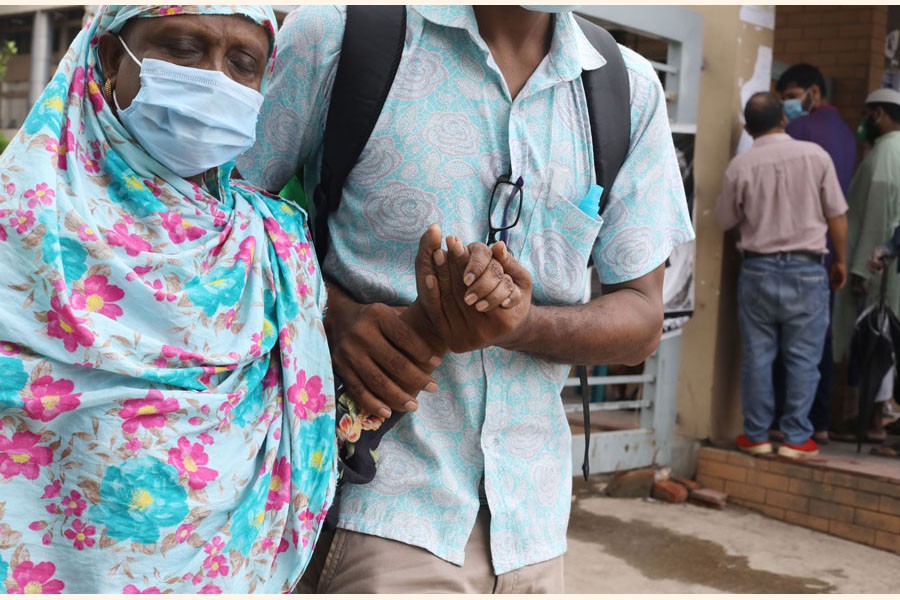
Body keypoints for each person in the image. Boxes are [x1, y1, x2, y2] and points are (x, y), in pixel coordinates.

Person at [238, 5, 694, 593]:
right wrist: (330, 313)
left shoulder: (625, 89)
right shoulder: (340, 35)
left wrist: (520, 325)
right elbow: (217, 222)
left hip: (535, 532)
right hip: (373, 507)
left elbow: (641, 315)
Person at [0, 6, 337, 594]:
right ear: (109, 58)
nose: (214, 80)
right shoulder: (22, 223)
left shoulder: (275, 248)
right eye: (183, 48)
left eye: (243, 64)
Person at [716, 92, 848, 460]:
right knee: (804, 358)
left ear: (747, 128)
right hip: (808, 270)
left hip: (757, 269)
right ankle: (796, 438)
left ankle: (756, 435)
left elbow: (725, 220)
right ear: (785, 121)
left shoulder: (740, 166)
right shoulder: (816, 156)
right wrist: (840, 261)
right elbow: (837, 214)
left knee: (758, 356)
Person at [774, 64, 858, 444]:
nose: (788, 105)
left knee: (779, 349)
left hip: (785, 253)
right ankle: (817, 422)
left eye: (791, 96)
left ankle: (782, 426)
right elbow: (839, 211)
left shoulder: (799, 131)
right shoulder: (846, 135)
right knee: (815, 345)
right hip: (825, 256)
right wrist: (840, 259)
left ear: (813, 92)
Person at [833, 88, 900, 442]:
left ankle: (873, 422)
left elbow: (876, 220)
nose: (862, 122)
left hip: (881, 274)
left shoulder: (885, 156)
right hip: (890, 272)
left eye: (866, 114)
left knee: (877, 342)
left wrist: (859, 269)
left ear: (879, 115)